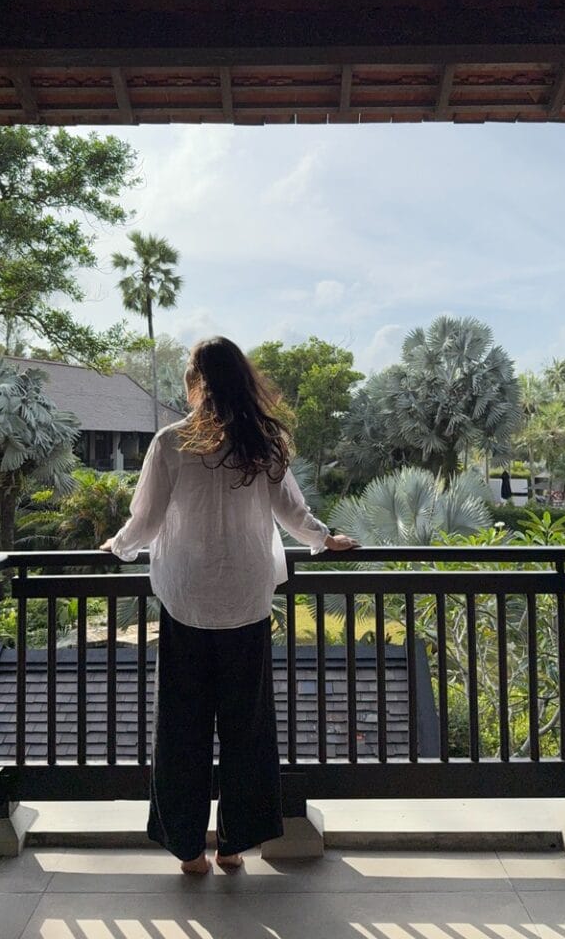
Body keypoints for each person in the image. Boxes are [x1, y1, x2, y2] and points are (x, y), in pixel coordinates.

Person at [100, 336, 359, 874]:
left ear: (196, 382)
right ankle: (233, 845)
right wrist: (322, 538)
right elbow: (291, 510)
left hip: (187, 600)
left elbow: (146, 521)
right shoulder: (262, 441)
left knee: (181, 726)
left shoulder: (171, 442)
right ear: (242, 379)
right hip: (245, 600)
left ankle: (189, 849)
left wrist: (119, 546)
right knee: (247, 727)